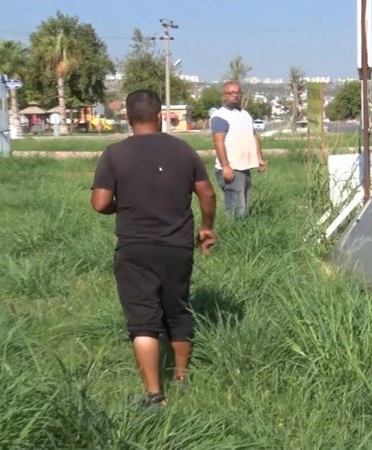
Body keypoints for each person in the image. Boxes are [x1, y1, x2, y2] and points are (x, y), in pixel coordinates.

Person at [90, 89, 217, 408]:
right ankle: (182, 378)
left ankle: (154, 396)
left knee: (143, 321)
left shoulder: (114, 154)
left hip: (135, 249)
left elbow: (100, 202)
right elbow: (207, 194)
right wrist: (206, 228)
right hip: (177, 247)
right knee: (177, 309)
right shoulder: (184, 151)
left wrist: (118, 208)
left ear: (128, 118)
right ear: (160, 115)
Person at [210, 81, 266, 218]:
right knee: (237, 209)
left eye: (237, 92)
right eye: (231, 93)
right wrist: (225, 166)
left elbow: (253, 137)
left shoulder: (245, 115)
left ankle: (243, 233)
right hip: (231, 169)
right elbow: (219, 142)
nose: (235, 95)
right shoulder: (220, 116)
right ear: (224, 96)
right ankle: (233, 234)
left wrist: (259, 158)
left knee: (244, 206)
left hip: (244, 167)